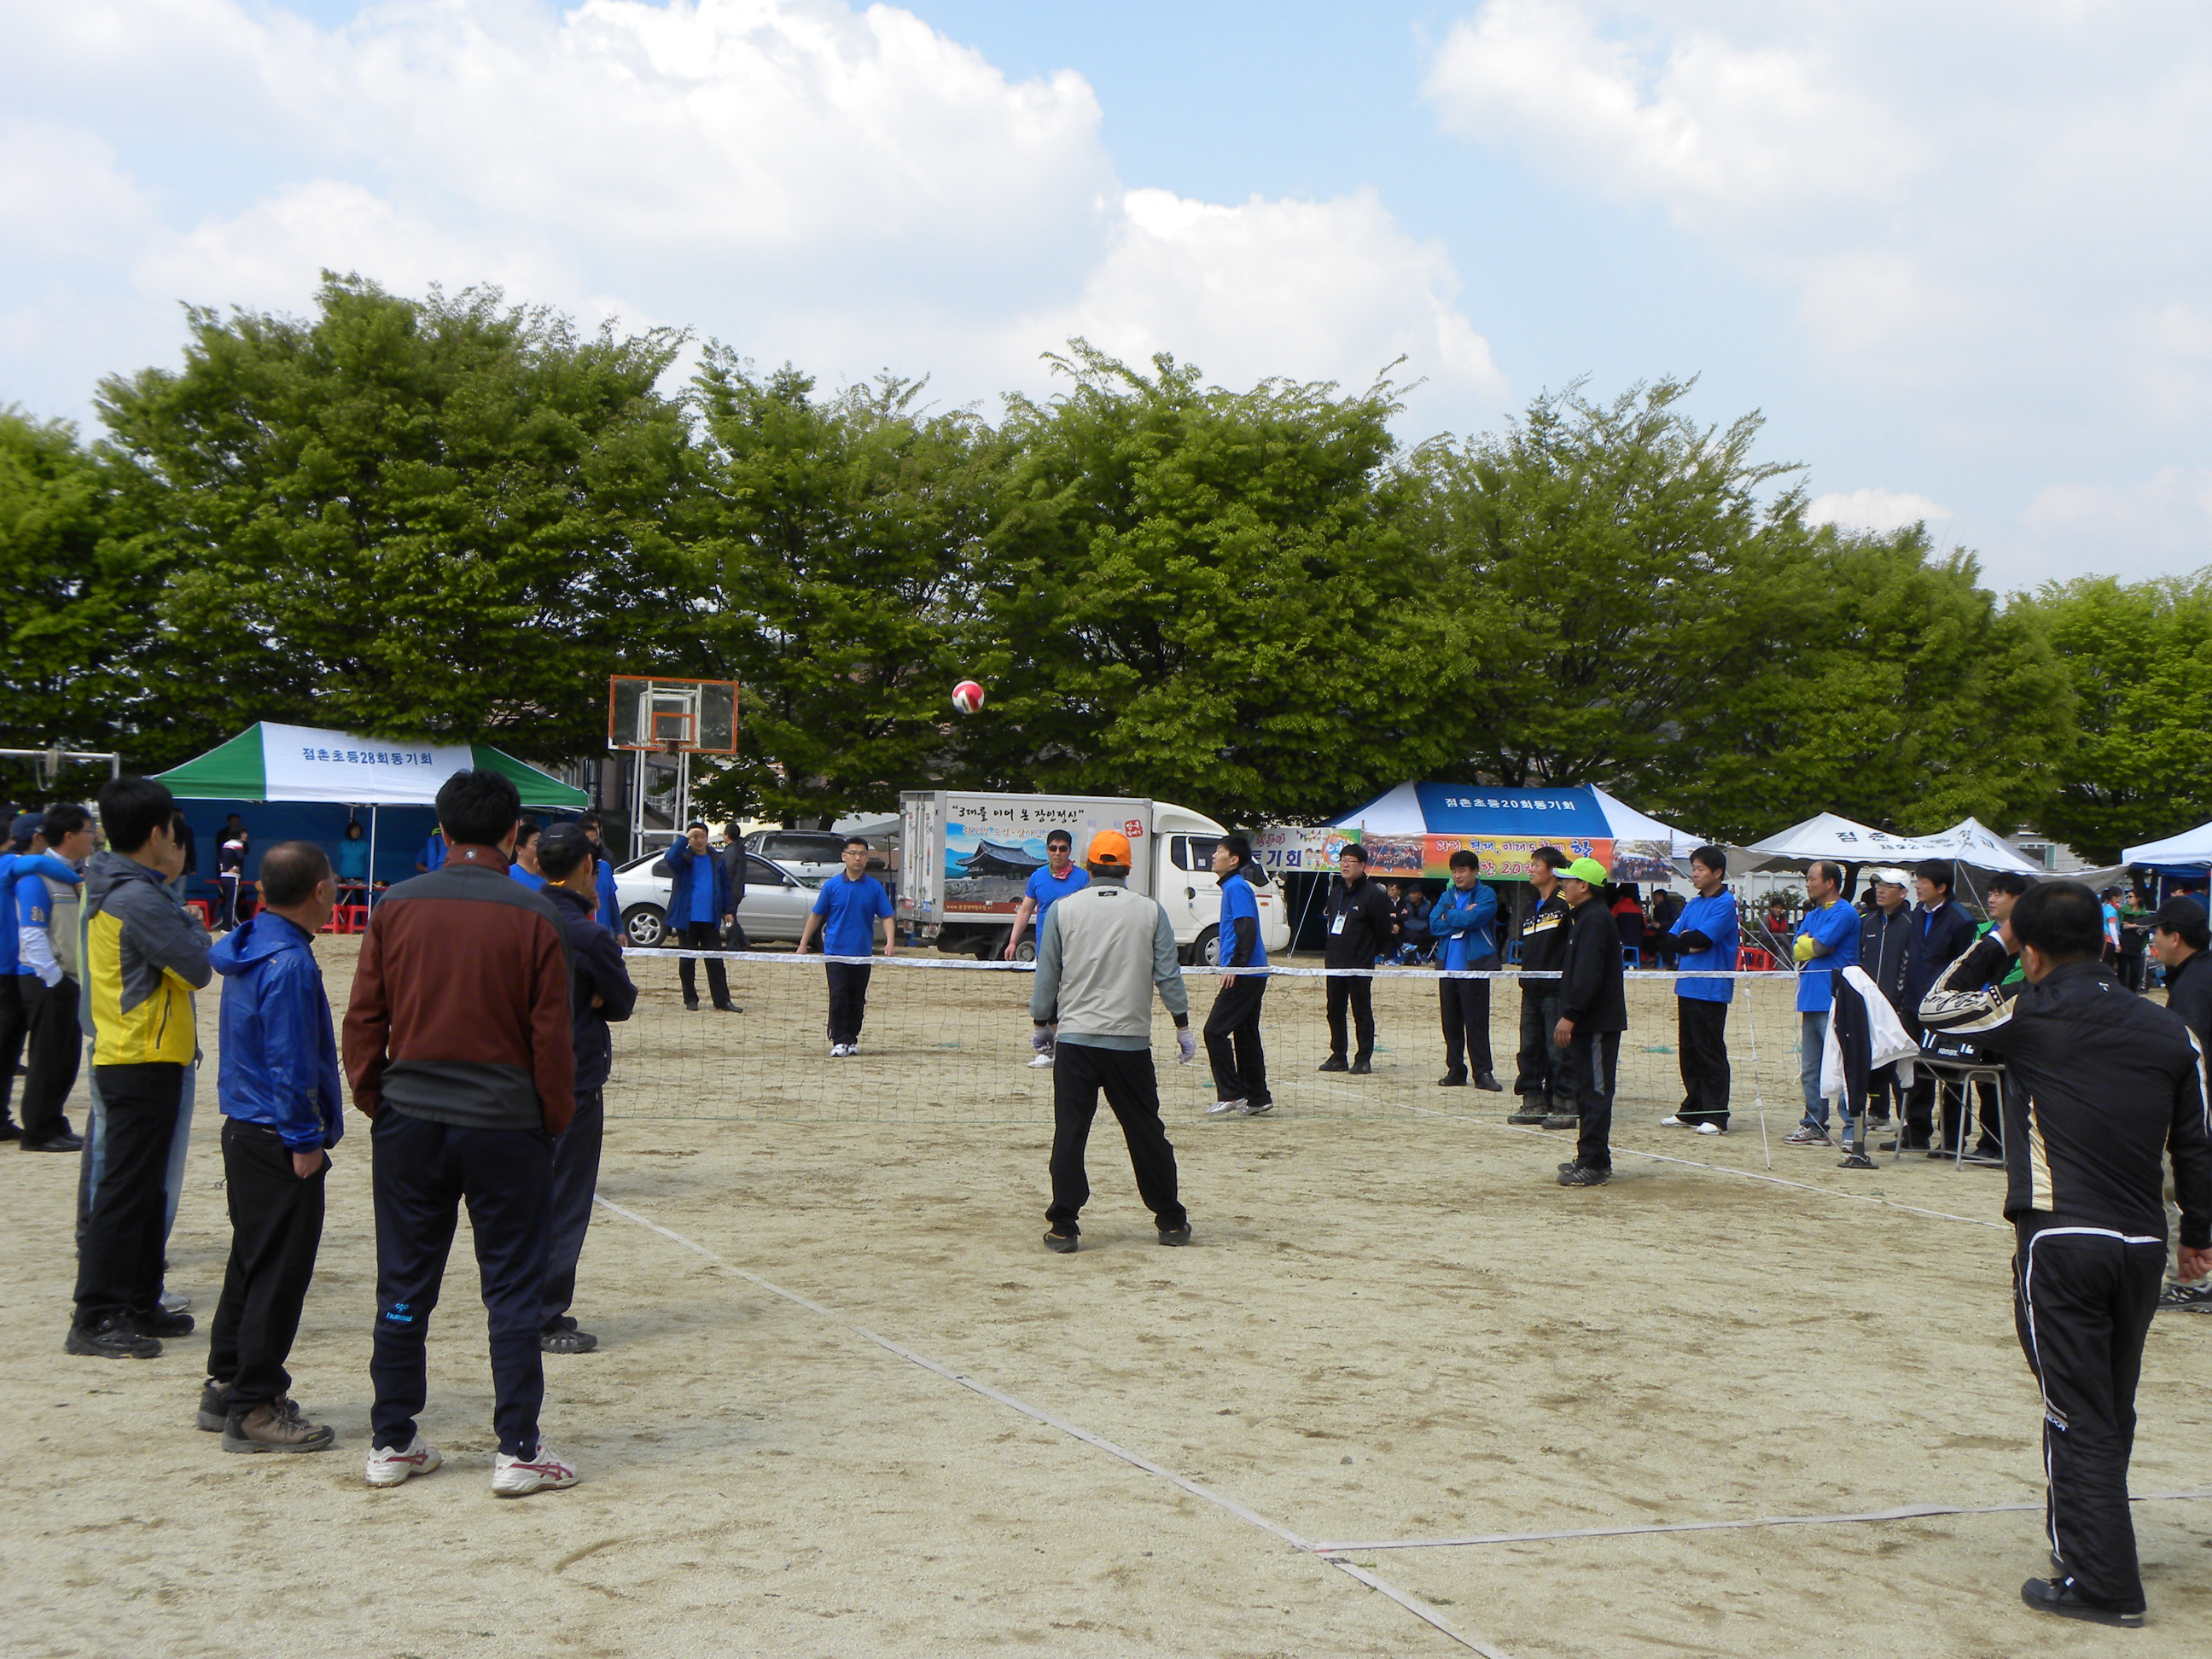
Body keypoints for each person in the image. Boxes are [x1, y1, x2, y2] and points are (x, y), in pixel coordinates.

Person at [1920, 881, 2212, 1629]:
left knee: (2074, 1409)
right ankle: (2087, 1542)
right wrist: (2199, 1233)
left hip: (2061, 1233)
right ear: (2109, 940)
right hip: (2142, 1241)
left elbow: (1936, 1006)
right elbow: (2197, 1142)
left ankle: (2103, 1581)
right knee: (2110, 1402)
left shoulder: (2027, 1009)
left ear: (2032, 949)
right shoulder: (2168, 1030)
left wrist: (1997, 941)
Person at [343, 767, 580, 1498]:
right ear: (515, 835)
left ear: (442, 830)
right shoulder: (534, 912)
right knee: (511, 1288)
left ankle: (392, 1439)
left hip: (410, 1121)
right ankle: (518, 1449)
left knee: (404, 1284)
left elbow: (364, 1017)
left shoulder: (396, 905)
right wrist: (552, 1117)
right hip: (506, 1125)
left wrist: (377, 1098)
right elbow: (551, 1035)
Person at [202, 841, 343, 1452]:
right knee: (279, 1273)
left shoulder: (253, 943)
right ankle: (254, 1404)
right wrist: (305, 1140)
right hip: (276, 1134)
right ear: (319, 890)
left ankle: (227, 1382)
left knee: (252, 1260)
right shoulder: (289, 962)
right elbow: (291, 1062)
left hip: (245, 1127)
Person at [69, 777, 210, 1359]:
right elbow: (195, 966)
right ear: (157, 833)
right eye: (172, 830)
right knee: (127, 1191)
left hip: (145, 1055)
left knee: (146, 1189)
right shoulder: (138, 898)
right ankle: (95, 1315)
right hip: (137, 1058)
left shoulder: (124, 888)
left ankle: (140, 1300)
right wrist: (193, 927)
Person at [1030, 830, 1194, 1252]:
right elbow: (1168, 974)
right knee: (1146, 1132)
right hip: (1130, 1044)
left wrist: (1041, 1022)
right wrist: (1181, 1025)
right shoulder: (1150, 911)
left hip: (1077, 1043)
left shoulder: (1064, 910)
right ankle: (1170, 1221)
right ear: (1127, 869)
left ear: (1087, 866)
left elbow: (1047, 973)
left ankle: (1063, 1225)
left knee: (1070, 1133)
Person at [534, 824, 637, 1356]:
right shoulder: (588, 935)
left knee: (522, 1197)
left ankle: (519, 1303)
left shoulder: (520, 917)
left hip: (515, 1079)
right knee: (566, 1199)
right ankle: (544, 1314)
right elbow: (620, 1002)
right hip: (572, 1080)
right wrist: (591, 996)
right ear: (586, 869)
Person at [3, 812, 86, 1148]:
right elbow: (32, 935)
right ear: (69, 836)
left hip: (65, 977)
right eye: (88, 830)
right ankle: (40, 1130)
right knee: (48, 1057)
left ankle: (53, 1122)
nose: (94, 836)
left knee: (64, 1057)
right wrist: (55, 979)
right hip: (47, 978)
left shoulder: (68, 876)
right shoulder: (37, 877)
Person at [2150, 897, 2212, 1313]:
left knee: (2178, 1187)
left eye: (2156, 932)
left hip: (2198, 1104)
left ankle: (2190, 1280)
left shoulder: (2193, 986)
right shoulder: (2198, 974)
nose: (2152, 941)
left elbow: (2191, 1056)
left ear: (2175, 937)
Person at [1896, 859, 1979, 1154]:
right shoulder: (1917, 914)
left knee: (1951, 1073)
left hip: (1945, 1009)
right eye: (1917, 880)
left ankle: (1953, 1138)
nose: (1917, 886)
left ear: (1942, 887)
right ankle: (1916, 1131)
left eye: (1923, 882)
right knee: (1914, 1068)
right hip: (1913, 1003)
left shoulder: (1961, 920)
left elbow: (1966, 967)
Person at [1553, 857, 1627, 1187]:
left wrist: (1570, 1015)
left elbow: (1588, 974)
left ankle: (1593, 1162)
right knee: (1586, 1090)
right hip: (1589, 1021)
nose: (1563, 885)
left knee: (1596, 1092)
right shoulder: (1584, 917)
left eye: (1568, 880)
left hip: (1597, 1022)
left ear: (1584, 886)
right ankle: (1593, 1156)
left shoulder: (1595, 919)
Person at [1781, 861, 1861, 1148]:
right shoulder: (1814, 914)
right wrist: (1808, 943)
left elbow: (1818, 947)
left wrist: (1809, 943)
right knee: (1811, 1068)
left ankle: (1853, 1129)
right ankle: (1814, 1124)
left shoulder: (1844, 912)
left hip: (1836, 999)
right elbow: (1796, 949)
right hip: (1811, 998)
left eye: (1812, 879)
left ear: (1830, 882)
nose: (1808, 884)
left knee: (1842, 1066)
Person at [1658, 846, 1736, 1135]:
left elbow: (1704, 938)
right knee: (1689, 1050)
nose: (1695, 874)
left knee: (1709, 1050)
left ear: (1717, 872)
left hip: (1711, 987)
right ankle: (1693, 1109)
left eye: (1701, 869)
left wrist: (1690, 941)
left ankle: (1716, 1114)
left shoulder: (1725, 903)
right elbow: (1669, 938)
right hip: (1687, 985)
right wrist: (1688, 943)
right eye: (1694, 868)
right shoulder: (1693, 903)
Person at [796, 835, 896, 1056]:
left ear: (867, 858)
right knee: (839, 996)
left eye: (862, 854)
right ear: (844, 856)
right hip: (835, 953)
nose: (857, 858)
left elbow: (887, 916)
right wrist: (803, 943)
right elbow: (816, 915)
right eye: (853, 853)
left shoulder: (874, 887)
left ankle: (851, 1039)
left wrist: (890, 942)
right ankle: (839, 1039)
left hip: (862, 954)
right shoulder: (832, 886)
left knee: (857, 998)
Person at [1005, 829, 1088, 1068]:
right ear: (1047, 850)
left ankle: (1072, 1048)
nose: (1058, 853)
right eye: (1053, 848)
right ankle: (1047, 1051)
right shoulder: (1038, 877)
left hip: (1077, 951)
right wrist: (1013, 941)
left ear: (1070, 851)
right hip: (1047, 949)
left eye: (1063, 848)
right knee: (1046, 1000)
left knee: (1074, 1000)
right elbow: (1025, 910)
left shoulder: (1083, 878)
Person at [1202, 834, 1272, 1116]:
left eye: (1219, 850)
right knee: (1245, 1034)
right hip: (1249, 971)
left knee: (1214, 1031)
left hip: (1246, 973)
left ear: (1233, 860)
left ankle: (1231, 1093)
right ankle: (1258, 1097)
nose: (1213, 855)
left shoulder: (1237, 887)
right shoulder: (1232, 886)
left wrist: (1236, 965)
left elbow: (1247, 927)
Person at [1511, 847, 1578, 1129]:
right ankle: (1533, 1101)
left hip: (1556, 990)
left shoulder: (1565, 905)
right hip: (1531, 988)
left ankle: (1564, 1104)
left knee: (1558, 1050)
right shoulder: (1530, 907)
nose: (1531, 869)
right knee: (1529, 1048)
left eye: (1536, 864)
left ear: (1552, 871)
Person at [1318, 843, 1397, 1074]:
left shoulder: (1373, 894)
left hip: (1360, 963)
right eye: (1342, 860)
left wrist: (1370, 953)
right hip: (1335, 962)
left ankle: (1363, 1058)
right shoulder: (1337, 892)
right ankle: (1338, 1055)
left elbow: (1383, 930)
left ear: (1362, 866)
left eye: (1351, 861)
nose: (1345, 865)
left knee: (1361, 1011)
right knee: (1334, 1010)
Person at [1430, 850, 1501, 1091]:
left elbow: (1474, 920)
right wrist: (1460, 916)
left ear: (1475, 871)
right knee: (1450, 1023)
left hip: (1474, 969)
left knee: (1476, 1023)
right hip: (1448, 969)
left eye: (1462, 870)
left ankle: (1483, 1072)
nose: (1457, 876)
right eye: (1454, 871)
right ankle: (1456, 1070)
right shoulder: (1447, 894)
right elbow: (1434, 924)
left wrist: (1450, 915)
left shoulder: (1486, 894)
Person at [1855, 869, 1915, 1134]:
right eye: (1879, 884)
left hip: (1899, 1007)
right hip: (1870, 1005)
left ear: (1903, 893)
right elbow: (1860, 960)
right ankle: (1878, 1112)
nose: (1880, 890)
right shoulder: (1868, 922)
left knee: (1900, 1063)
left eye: (1888, 886)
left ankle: (1909, 1120)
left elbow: (1911, 965)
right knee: (1874, 1062)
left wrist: (1901, 1001)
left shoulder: (1912, 924)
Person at [655, 823, 737, 1014]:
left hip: (710, 919)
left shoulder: (717, 860)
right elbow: (670, 857)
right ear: (689, 839)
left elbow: (725, 887)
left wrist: (728, 910)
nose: (699, 840)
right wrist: (684, 838)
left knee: (715, 961)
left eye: (702, 836)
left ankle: (722, 1000)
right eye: (695, 836)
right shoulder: (683, 860)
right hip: (687, 919)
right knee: (687, 962)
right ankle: (690, 999)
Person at [579, 812, 622, 933]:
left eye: (595, 841)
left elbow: (611, 898)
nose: (593, 845)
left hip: (603, 932)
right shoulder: (572, 870)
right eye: (588, 841)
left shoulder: (605, 865)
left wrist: (619, 930)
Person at [216, 814, 250, 930]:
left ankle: (226, 923)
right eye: (244, 834)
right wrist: (236, 867)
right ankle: (230, 926)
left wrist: (223, 867)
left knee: (226, 901)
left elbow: (219, 858)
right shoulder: (238, 845)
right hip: (232, 877)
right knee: (232, 902)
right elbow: (240, 858)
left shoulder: (226, 844)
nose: (246, 836)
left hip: (223, 875)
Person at [334, 819, 371, 906]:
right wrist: (339, 874)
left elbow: (368, 861)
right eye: (354, 830)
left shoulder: (365, 845)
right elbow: (338, 859)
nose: (356, 832)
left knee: (360, 900)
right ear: (349, 831)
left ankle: (362, 915)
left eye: (358, 830)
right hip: (344, 877)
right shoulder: (343, 844)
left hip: (359, 877)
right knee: (345, 901)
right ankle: (345, 916)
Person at [1610, 882, 1646, 964]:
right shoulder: (1638, 909)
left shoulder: (1618, 906)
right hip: (1637, 941)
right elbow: (1644, 926)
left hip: (1620, 940)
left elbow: (1610, 921)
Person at [508, 818, 545, 891]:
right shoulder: (509, 875)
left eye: (542, 844)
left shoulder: (545, 879)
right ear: (519, 849)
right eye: (536, 844)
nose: (541, 847)